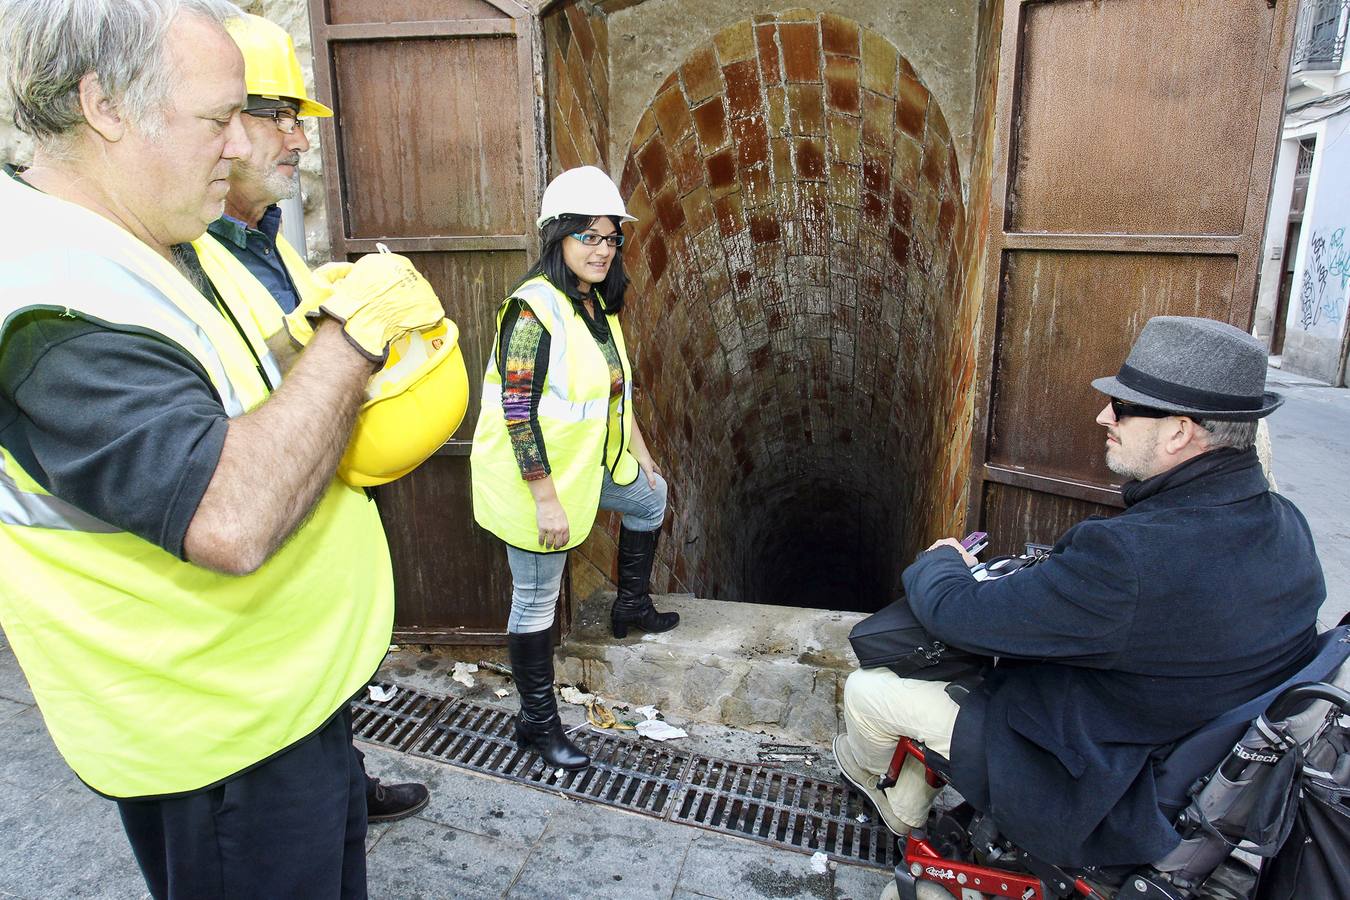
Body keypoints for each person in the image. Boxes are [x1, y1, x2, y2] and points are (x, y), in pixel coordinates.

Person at [0, 1, 444, 896]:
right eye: (216, 120)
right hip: (220, 747)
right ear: (104, 105)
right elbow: (230, 517)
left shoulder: (151, 232)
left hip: (280, 705)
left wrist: (313, 341)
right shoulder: (52, 303)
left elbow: (234, 387)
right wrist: (352, 341)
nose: (241, 147)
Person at [834, 316, 1326, 869]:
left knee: (867, 691)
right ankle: (912, 795)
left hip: (1103, 785)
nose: (1103, 416)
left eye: (1124, 407)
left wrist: (941, 560)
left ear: (1180, 432)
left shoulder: (1129, 558)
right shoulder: (1287, 525)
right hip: (1195, 763)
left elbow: (957, 613)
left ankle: (896, 810)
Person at [192, 11, 428, 823]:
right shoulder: (192, 255)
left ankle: (347, 787)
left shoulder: (267, 239)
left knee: (326, 716)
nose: (300, 140)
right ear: (223, 119)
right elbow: (249, 400)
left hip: (312, 553)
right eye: (282, 117)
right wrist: (351, 337)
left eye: (301, 119)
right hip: (250, 610)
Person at [470, 166, 678, 770]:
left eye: (611, 238)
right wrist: (545, 500)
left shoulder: (595, 305)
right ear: (557, 237)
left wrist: (640, 453)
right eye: (587, 236)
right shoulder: (533, 312)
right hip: (536, 481)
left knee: (651, 500)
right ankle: (536, 722)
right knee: (535, 602)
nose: (602, 249)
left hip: (592, 466)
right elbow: (516, 411)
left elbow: (615, 392)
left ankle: (630, 607)